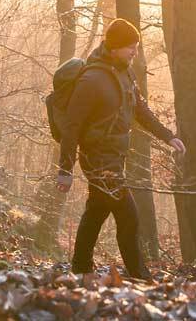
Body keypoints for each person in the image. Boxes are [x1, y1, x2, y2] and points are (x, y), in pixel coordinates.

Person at [53, 19, 185, 281]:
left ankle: (80, 268)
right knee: (129, 217)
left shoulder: (125, 73)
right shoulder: (91, 79)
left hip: (115, 157)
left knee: (96, 212)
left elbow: (141, 110)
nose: (134, 51)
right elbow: (71, 127)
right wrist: (65, 170)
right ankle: (141, 276)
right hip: (97, 159)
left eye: (136, 46)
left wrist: (168, 136)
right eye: (129, 47)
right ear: (113, 47)